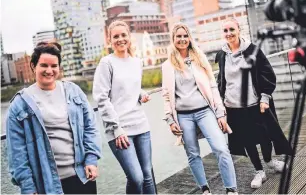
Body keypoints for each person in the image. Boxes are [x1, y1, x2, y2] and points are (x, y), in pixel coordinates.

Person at [6, 42, 101, 194]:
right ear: (33, 66)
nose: (49, 70)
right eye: (44, 65)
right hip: (46, 185)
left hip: (82, 175)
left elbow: (90, 126)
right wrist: (28, 187)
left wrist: (91, 159)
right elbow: (17, 153)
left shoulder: (73, 91)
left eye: (54, 66)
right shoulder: (19, 105)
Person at [215, 18, 293, 189]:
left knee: (265, 136)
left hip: (255, 104)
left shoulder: (253, 51)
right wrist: (221, 105)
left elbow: (268, 74)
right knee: (247, 140)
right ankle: (259, 171)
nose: (228, 34)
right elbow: (221, 81)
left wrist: (265, 98)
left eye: (231, 29)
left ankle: (270, 160)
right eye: (225, 31)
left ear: (239, 30)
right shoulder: (221, 55)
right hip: (233, 107)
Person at [162, 23, 238, 195]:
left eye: (185, 36)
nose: (182, 39)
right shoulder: (167, 66)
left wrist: (220, 113)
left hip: (205, 111)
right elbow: (166, 95)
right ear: (173, 40)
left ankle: (231, 189)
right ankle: (205, 189)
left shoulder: (199, 58)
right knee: (193, 154)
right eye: (178, 36)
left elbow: (212, 86)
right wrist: (169, 119)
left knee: (221, 148)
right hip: (183, 116)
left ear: (189, 38)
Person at [93, 20, 156, 194]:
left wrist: (141, 93)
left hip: (141, 125)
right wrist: (117, 128)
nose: (120, 39)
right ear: (109, 40)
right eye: (116, 36)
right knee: (136, 177)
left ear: (129, 37)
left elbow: (130, 87)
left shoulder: (137, 62)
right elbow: (101, 97)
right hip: (120, 130)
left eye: (123, 35)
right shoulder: (107, 63)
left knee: (147, 176)